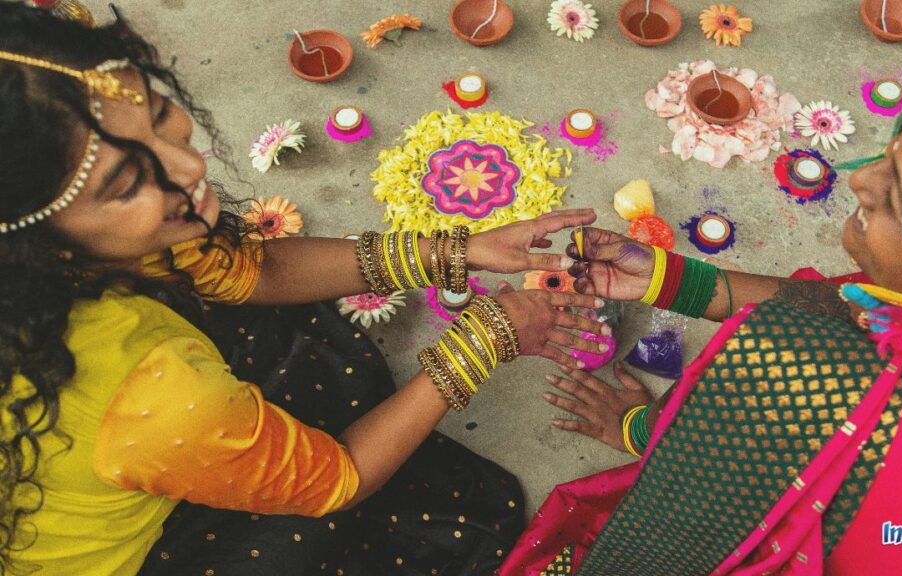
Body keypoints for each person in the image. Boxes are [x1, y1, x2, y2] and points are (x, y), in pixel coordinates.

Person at [0, 4, 609, 575]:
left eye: (159, 115)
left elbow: (250, 273)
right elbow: (344, 478)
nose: (188, 169)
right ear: (43, 247)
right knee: (440, 514)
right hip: (138, 538)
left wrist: (458, 250)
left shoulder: (79, 250)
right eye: (129, 178)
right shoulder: (148, 392)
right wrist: (486, 335)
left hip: (150, 421)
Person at [501, 59, 902, 575]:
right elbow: (853, 303)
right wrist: (664, 279)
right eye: (892, 151)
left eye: (897, 199)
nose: (862, 179)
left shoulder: (810, 380)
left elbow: (700, 492)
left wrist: (639, 428)